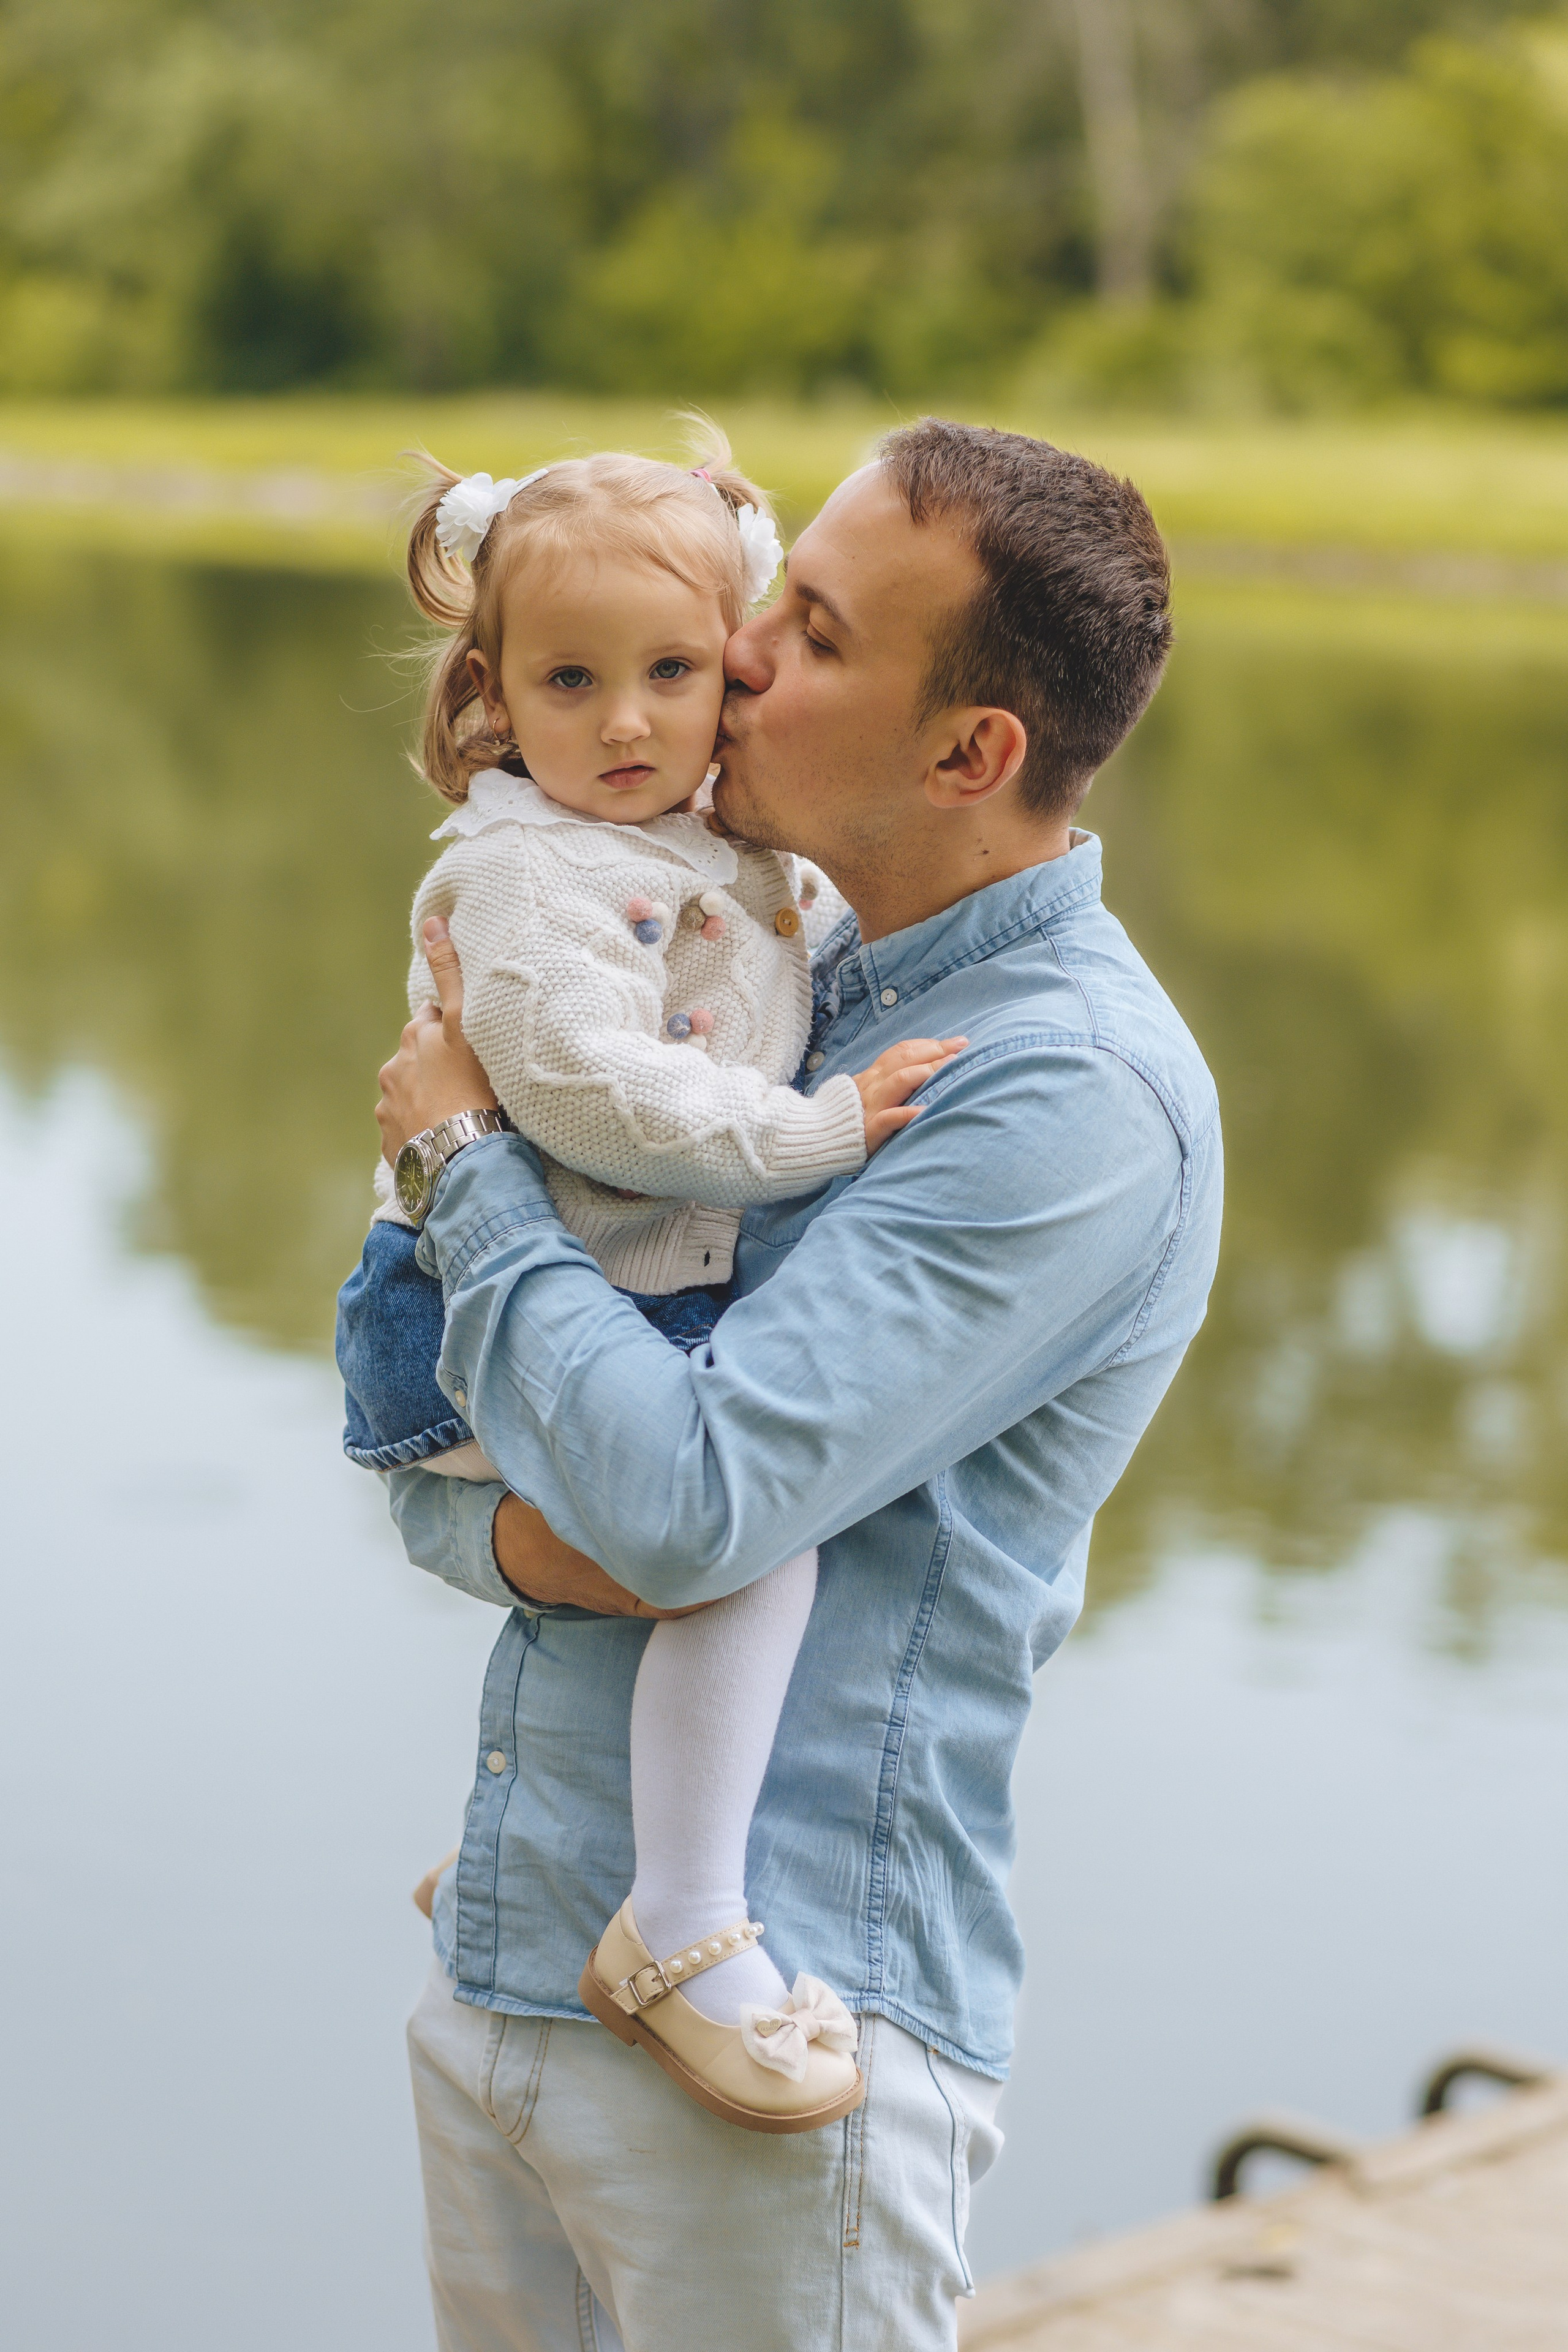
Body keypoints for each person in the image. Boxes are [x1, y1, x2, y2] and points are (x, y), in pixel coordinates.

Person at [375, 418, 1223, 2352]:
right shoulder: (759, 957)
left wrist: (462, 1165)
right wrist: (491, 1524)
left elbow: (683, 1507)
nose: (735, 653)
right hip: (512, 1957)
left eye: (809, 630)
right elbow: (486, 1461)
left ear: (970, 753)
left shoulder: (1060, 1093)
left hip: (776, 2067)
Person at [338, 428, 962, 2133]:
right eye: (572, 679)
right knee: (743, 1546)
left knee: (682, 1548)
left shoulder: (694, 844)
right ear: (491, 694)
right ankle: (675, 1922)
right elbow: (596, 1093)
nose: (627, 722)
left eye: (674, 673)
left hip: (584, 1291)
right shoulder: (526, 874)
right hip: (478, 1320)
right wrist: (815, 1131)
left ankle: (533, 1848)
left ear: (727, 668)